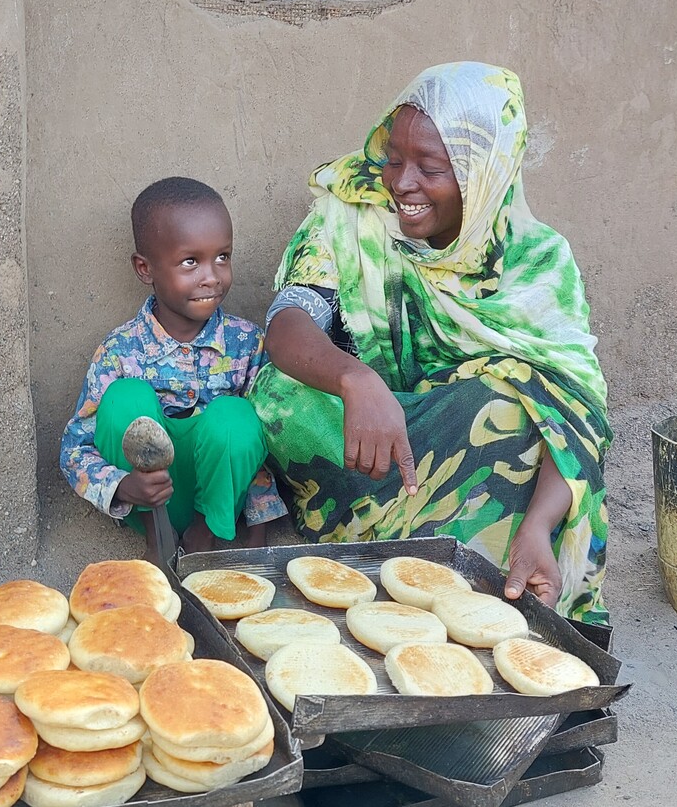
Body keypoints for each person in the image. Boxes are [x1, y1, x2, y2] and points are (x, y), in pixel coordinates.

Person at [252, 63, 611, 625]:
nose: (401, 183)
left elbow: (576, 415)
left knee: (508, 409)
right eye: (394, 158)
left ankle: (483, 579)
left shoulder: (538, 263)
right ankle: (382, 557)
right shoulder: (353, 216)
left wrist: (542, 523)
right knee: (279, 393)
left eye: (432, 168)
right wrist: (356, 381)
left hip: (462, 445)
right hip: (361, 441)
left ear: (484, 173)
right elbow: (288, 322)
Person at [60, 177, 288, 557]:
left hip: (219, 503)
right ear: (145, 268)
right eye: (190, 262)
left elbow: (262, 445)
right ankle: (158, 540)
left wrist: (258, 534)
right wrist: (122, 486)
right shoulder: (120, 351)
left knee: (236, 416)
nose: (211, 276)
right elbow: (73, 448)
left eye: (222, 257)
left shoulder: (248, 344)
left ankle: (205, 536)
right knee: (125, 398)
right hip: (146, 500)